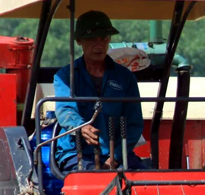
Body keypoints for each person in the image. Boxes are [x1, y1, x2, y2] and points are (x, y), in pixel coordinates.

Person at [53, 10, 152, 172]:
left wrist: (115, 158)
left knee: (146, 184)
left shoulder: (125, 78)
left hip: (118, 155)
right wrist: (81, 127)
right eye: (92, 39)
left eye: (104, 38)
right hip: (77, 153)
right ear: (79, 41)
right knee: (92, 181)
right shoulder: (64, 76)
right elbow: (65, 109)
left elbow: (134, 125)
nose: (99, 44)